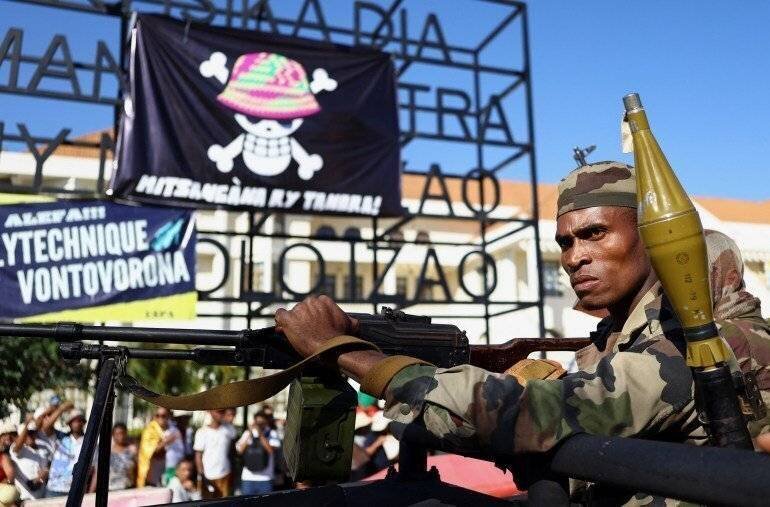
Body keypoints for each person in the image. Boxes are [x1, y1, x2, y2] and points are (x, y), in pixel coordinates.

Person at [273, 162, 770, 505]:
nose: (574, 257)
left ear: (653, 238)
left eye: (595, 233)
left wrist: (343, 352)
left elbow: (531, 414)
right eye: (565, 242)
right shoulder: (624, 339)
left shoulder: (705, 341)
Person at [44, 407, 94, 497]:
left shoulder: (89, 442)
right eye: (74, 421)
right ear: (69, 424)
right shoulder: (60, 437)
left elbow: (93, 468)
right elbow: (46, 427)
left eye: (80, 421)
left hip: (76, 490)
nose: (77, 423)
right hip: (54, 488)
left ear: (83, 423)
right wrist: (61, 408)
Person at [235, 411, 280, 495]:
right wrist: (249, 433)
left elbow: (271, 451)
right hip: (248, 478)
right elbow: (240, 451)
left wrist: (260, 435)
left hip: (265, 478)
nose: (259, 425)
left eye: (262, 422)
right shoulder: (248, 433)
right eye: (257, 422)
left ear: (266, 422)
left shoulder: (272, 433)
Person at [194, 409, 236, 498]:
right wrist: (202, 475)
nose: (221, 414)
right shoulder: (202, 432)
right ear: (210, 412)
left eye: (223, 411)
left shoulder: (229, 428)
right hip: (207, 476)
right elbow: (198, 456)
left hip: (225, 474)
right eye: (218, 411)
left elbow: (233, 451)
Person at [9, 416, 48, 500]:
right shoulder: (17, 449)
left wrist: (45, 473)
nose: (30, 436)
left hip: (42, 496)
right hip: (24, 497)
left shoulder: (43, 447)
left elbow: (48, 467)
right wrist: (26, 424)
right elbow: (18, 446)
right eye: (27, 433)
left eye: (32, 433)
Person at [137, 407, 171, 487]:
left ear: (168, 416)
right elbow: (150, 451)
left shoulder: (173, 429)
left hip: (169, 471)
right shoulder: (149, 431)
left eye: (163, 415)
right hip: (152, 474)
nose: (160, 418)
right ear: (154, 416)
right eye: (157, 415)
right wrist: (166, 441)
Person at [108, 423, 136, 491]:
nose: (121, 436)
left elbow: (136, 471)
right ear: (113, 435)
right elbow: (97, 473)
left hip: (128, 489)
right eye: (117, 434)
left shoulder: (132, 450)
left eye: (122, 433)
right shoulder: (107, 451)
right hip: (111, 490)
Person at [162, 419, 185, 486]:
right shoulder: (170, 430)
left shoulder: (173, 430)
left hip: (174, 460)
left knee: (171, 479)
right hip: (171, 459)